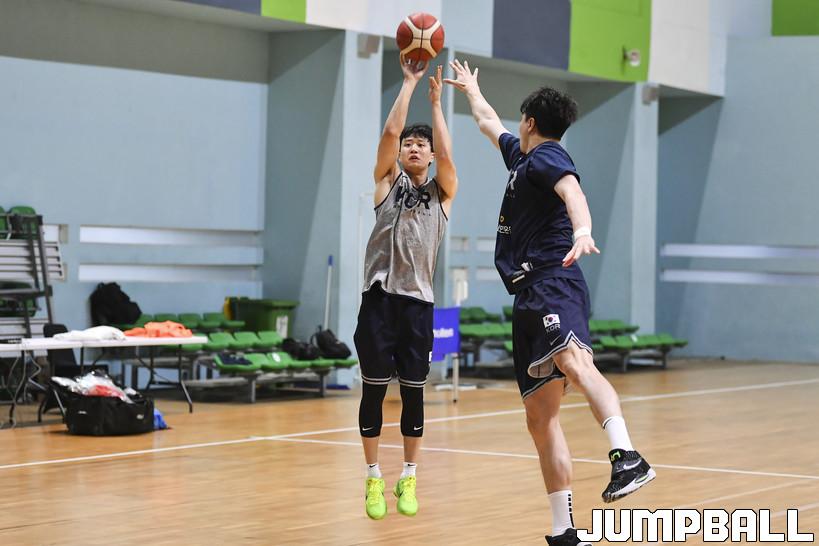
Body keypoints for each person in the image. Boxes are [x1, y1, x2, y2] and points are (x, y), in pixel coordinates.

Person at [445, 60, 655, 545]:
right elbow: (487, 122)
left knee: (575, 363)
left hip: (553, 281)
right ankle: (564, 530)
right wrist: (473, 90)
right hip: (527, 293)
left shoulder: (548, 157)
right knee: (539, 418)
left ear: (530, 122)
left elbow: (572, 191)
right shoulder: (522, 158)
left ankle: (626, 455)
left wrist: (582, 231)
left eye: (519, 119)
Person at [355, 56, 457, 520]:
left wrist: (436, 105)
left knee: (414, 394)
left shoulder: (442, 193)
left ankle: (409, 475)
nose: (413, 147)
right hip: (378, 302)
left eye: (422, 144)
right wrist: (410, 82)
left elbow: (449, 157)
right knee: (374, 392)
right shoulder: (386, 183)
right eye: (409, 144)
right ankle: (374, 477)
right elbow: (389, 133)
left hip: (417, 305)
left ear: (430, 156)